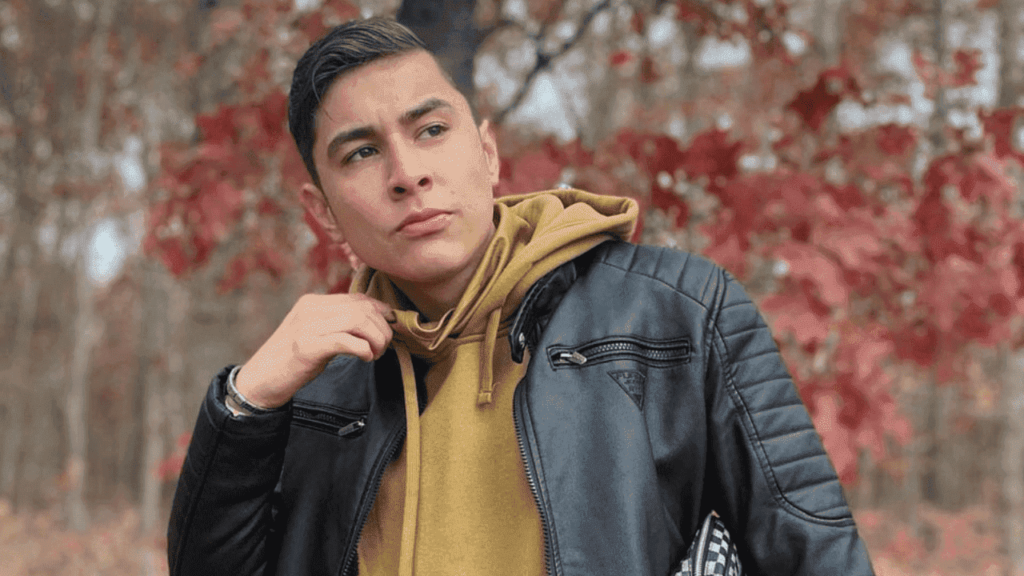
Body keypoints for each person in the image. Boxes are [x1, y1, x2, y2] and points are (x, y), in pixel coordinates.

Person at [167, 16, 876, 576]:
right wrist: (246, 403)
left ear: (488, 154)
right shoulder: (318, 387)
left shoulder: (680, 313)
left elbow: (815, 553)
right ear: (322, 212)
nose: (408, 173)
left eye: (431, 130)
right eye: (362, 152)